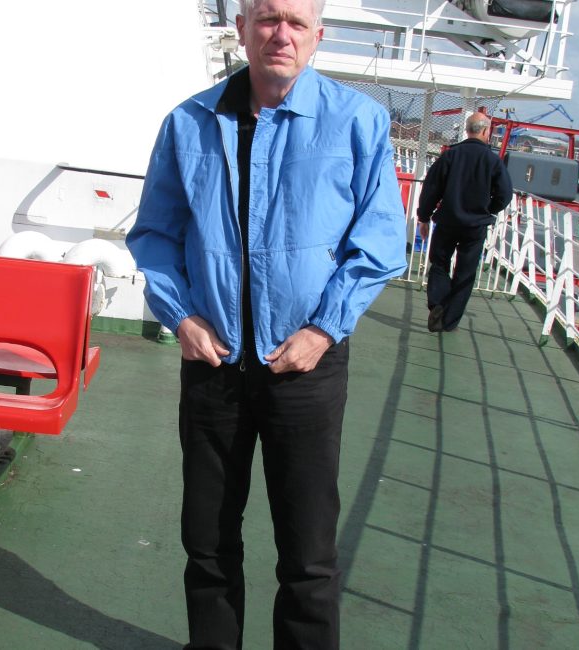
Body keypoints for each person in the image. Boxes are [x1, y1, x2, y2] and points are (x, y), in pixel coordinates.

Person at [126, 0, 406, 647]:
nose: (282, 34)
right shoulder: (189, 122)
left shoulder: (356, 122)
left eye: (296, 22)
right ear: (243, 28)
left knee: (308, 556)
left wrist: (323, 329)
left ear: (317, 37)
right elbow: (155, 234)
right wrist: (182, 316)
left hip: (304, 368)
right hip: (213, 365)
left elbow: (381, 240)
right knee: (208, 544)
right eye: (268, 18)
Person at [417, 111, 513, 332]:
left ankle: (438, 304)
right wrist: (488, 209)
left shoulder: (450, 155)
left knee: (440, 264)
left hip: (447, 222)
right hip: (475, 226)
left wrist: (424, 217)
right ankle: (449, 321)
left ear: (467, 130)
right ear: (486, 131)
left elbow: (431, 188)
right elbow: (504, 194)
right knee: (465, 273)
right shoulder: (493, 161)